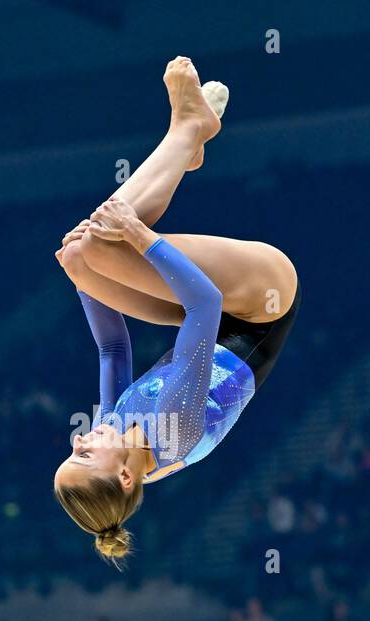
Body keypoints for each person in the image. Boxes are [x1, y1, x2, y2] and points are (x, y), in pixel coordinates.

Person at [53, 57, 300, 564]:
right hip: (263, 301)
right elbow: (203, 303)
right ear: (124, 476)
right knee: (105, 245)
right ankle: (188, 130)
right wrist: (141, 237)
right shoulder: (172, 431)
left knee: (83, 254)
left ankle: (187, 139)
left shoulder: (121, 433)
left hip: (214, 314)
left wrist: (80, 282)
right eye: (82, 454)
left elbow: (112, 346)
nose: (78, 438)